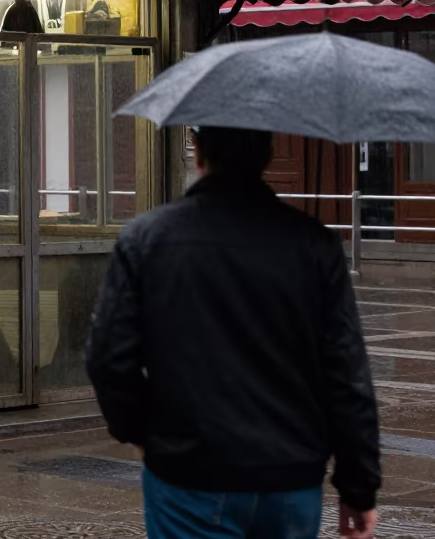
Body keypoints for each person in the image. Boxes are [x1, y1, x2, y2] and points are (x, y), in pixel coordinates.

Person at [87, 126, 379, 539]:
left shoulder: (147, 239)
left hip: (190, 470)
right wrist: (359, 486)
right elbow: (347, 374)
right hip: (290, 475)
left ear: (199, 154)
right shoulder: (314, 245)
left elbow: (108, 357)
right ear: (268, 156)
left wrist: (141, 433)